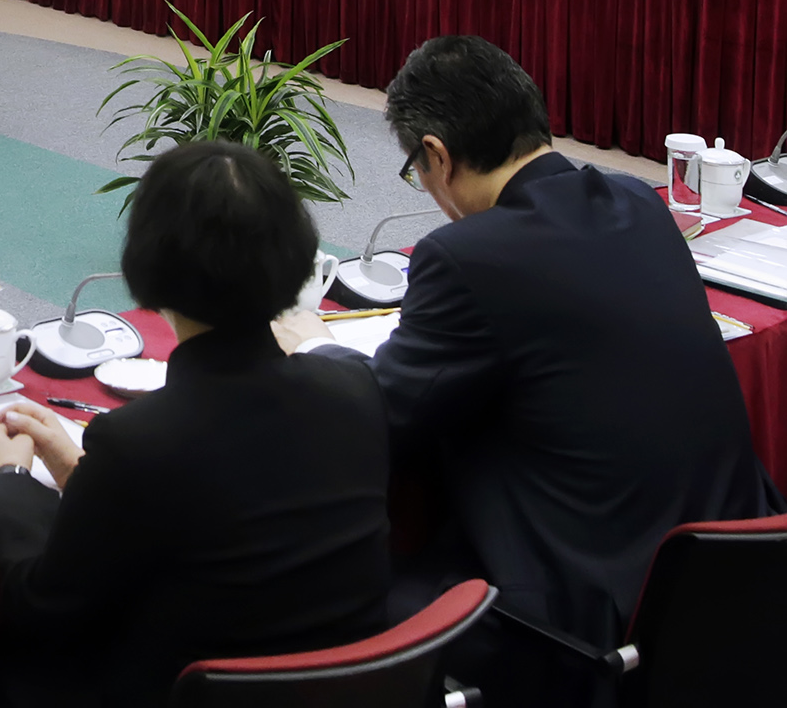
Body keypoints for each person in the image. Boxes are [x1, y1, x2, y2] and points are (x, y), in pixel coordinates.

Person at [277, 37, 780, 659]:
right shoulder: (638, 202)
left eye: (417, 171)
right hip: (731, 580)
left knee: (328, 610)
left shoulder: (467, 257)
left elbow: (377, 418)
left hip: (588, 620)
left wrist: (313, 342)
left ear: (438, 155)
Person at [0, 141, 390, 708]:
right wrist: (79, 471)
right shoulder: (354, 387)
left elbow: (44, 608)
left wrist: (8, 482)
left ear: (149, 265)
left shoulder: (139, 440)